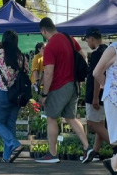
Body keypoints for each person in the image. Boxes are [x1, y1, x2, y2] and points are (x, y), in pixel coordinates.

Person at [36, 17, 94, 163]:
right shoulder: (69, 38)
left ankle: (52, 154)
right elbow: (83, 56)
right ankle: (88, 147)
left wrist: (44, 94)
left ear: (43, 31)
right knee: (71, 117)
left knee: (51, 117)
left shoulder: (50, 47)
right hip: (74, 84)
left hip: (58, 86)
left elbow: (48, 73)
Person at [0, 30, 28, 163]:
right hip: (17, 95)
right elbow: (26, 72)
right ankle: (6, 157)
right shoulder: (22, 57)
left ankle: (15, 143)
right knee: (10, 125)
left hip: (1, 92)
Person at [92, 39, 117, 175]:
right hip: (113, 98)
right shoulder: (113, 49)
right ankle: (113, 163)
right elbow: (96, 72)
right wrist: (107, 85)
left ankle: (113, 163)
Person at [85, 28, 109, 162]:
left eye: (87, 40)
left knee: (92, 123)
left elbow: (96, 75)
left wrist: (94, 96)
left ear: (92, 39)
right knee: (100, 123)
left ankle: (115, 147)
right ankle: (95, 151)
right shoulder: (108, 51)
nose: (88, 43)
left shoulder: (96, 54)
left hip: (95, 93)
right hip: (106, 92)